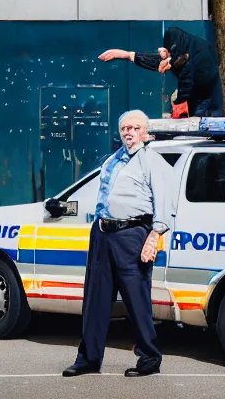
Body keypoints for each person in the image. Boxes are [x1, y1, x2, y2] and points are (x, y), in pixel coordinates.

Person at [62, 109, 173, 378]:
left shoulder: (152, 161)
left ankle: (149, 359)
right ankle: (88, 359)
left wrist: (154, 237)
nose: (129, 133)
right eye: (125, 128)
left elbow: (166, 203)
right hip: (102, 233)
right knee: (96, 300)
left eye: (135, 128)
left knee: (136, 300)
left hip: (132, 234)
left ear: (145, 133)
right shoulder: (113, 160)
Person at [99, 27, 224, 118]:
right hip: (197, 100)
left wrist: (179, 102)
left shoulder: (200, 58)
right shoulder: (181, 49)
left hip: (207, 104)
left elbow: (189, 81)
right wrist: (127, 55)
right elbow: (159, 62)